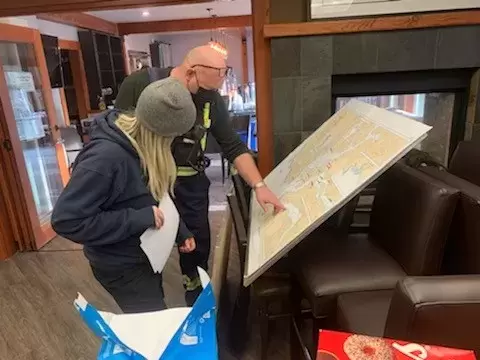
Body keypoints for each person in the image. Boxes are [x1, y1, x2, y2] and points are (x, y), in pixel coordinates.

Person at [115, 45, 285, 306]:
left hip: (191, 184)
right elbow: (119, 137)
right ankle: (150, 303)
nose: (218, 87)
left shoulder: (212, 98)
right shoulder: (139, 84)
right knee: (147, 243)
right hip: (146, 186)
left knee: (196, 243)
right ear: (192, 72)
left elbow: (232, 145)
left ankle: (197, 297)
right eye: (218, 76)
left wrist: (259, 185)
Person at [51, 78, 197, 313]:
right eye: (173, 138)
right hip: (121, 266)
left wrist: (179, 230)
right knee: (150, 329)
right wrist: (139, 218)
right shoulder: (105, 160)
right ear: (161, 134)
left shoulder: (141, 145)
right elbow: (67, 220)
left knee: (153, 315)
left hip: (145, 256)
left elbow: (152, 195)